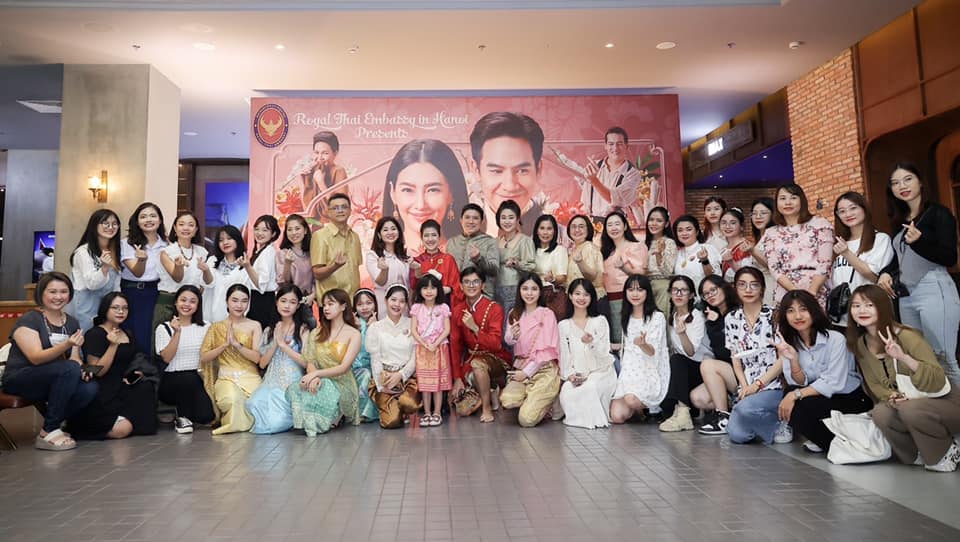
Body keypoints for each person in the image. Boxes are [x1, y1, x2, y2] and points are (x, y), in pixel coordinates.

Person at [847, 285, 960, 472]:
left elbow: (937, 379)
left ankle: (946, 451)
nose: (862, 311)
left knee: (910, 409)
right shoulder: (861, 344)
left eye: (869, 305)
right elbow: (874, 385)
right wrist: (892, 396)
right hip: (907, 403)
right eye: (856, 305)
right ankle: (916, 453)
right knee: (881, 413)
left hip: (946, 403)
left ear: (883, 307)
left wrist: (903, 357)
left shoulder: (907, 336)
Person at [879, 163, 960, 384]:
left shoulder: (938, 213)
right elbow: (898, 260)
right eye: (895, 183)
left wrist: (919, 241)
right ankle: (936, 404)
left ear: (920, 182)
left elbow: (950, 258)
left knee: (944, 358)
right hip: (907, 297)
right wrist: (885, 273)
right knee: (919, 358)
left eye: (908, 179)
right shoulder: (900, 220)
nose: (902, 186)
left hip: (935, 289)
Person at [2, 273, 97, 450]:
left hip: (54, 377)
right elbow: (36, 357)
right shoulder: (30, 319)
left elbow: (74, 359)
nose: (58, 297)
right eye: (53, 292)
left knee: (89, 388)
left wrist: (82, 370)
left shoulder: (72, 323)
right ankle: (49, 431)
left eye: (64, 292)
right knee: (68, 369)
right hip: (21, 377)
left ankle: (51, 425)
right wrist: (66, 344)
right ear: (41, 293)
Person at [774, 290, 872, 454]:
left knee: (795, 399)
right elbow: (798, 382)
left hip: (849, 398)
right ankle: (834, 444)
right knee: (791, 396)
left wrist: (794, 395)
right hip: (820, 397)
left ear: (814, 311)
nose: (798, 316)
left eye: (803, 309)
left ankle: (843, 445)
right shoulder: (789, 343)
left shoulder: (835, 339)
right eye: (791, 311)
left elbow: (833, 382)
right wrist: (793, 360)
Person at [67, 293, 158, 440]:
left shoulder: (127, 333)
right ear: (105, 309)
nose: (121, 312)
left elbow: (136, 360)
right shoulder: (95, 333)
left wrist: (137, 373)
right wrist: (113, 345)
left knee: (145, 388)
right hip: (103, 388)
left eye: (124, 308)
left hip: (123, 384)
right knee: (122, 429)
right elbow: (97, 371)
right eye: (115, 308)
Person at [286, 289, 362, 436]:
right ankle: (306, 422)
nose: (326, 308)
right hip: (319, 378)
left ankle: (323, 421)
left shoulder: (354, 334)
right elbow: (310, 361)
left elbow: (343, 367)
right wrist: (314, 376)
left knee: (325, 386)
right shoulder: (317, 333)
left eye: (331, 304)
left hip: (343, 383)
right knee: (298, 387)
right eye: (324, 305)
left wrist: (316, 375)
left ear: (343, 306)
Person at [724, 267, 786, 445]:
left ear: (762, 289)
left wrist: (757, 385)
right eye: (742, 285)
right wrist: (745, 387)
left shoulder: (775, 315)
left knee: (743, 410)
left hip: (773, 385)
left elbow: (783, 359)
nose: (748, 290)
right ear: (735, 288)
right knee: (737, 435)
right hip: (747, 386)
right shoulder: (731, 318)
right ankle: (772, 421)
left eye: (754, 285)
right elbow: (736, 360)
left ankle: (783, 423)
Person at [449, 267, 511, 423]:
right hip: (471, 360)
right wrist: (457, 378)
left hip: (495, 358)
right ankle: (491, 390)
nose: (471, 286)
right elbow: (455, 347)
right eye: (467, 282)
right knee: (461, 409)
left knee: (478, 364)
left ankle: (486, 407)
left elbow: (495, 344)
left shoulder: (494, 308)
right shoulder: (457, 310)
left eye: (476, 282)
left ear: (483, 285)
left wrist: (475, 328)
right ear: (461, 285)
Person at [382, 138, 468, 252]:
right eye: (408, 190)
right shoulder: (374, 256)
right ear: (392, 193)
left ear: (451, 193)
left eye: (432, 190)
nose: (420, 205)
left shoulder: (468, 255)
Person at [200, 284, 263, 435]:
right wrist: (224, 345)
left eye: (244, 301)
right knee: (233, 400)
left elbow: (257, 358)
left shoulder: (255, 325)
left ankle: (247, 423)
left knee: (258, 403)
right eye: (235, 300)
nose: (239, 305)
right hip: (226, 378)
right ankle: (238, 425)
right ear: (227, 301)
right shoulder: (216, 327)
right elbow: (204, 357)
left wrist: (237, 345)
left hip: (250, 377)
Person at [246, 285, 309, 434]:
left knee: (277, 421)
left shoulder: (303, 329)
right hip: (271, 381)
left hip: (291, 382)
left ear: (298, 305)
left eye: (292, 302)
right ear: (276, 302)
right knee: (252, 404)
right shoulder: (269, 330)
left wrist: (284, 346)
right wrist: (275, 343)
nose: (287, 306)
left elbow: (306, 362)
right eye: (283, 301)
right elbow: (262, 363)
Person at [469, 111, 545, 236]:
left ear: (539, 169)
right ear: (476, 170)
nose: (509, 186)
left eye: (522, 171)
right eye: (496, 171)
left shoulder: (563, 236)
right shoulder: (457, 235)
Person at [501, 273, 561, 427]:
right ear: (519, 291)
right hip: (521, 366)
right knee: (508, 400)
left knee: (526, 420)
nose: (529, 293)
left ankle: (549, 401)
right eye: (525, 288)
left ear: (540, 292)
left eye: (534, 289)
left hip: (543, 369)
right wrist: (513, 336)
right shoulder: (514, 313)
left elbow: (547, 352)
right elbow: (508, 340)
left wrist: (526, 373)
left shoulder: (547, 314)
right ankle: (533, 399)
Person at [557, 279, 617, 429]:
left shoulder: (600, 321)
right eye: (577, 293)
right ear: (570, 296)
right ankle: (579, 421)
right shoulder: (563, 325)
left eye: (586, 294)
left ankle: (594, 422)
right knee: (567, 391)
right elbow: (564, 356)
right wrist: (570, 375)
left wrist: (591, 343)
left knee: (590, 387)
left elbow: (604, 353)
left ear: (592, 297)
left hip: (601, 372)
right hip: (578, 374)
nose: (581, 298)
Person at [761, 184, 834, 308]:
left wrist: (812, 292)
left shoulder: (820, 225)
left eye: (793, 198)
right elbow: (774, 268)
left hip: (817, 290)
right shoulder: (771, 233)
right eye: (783, 198)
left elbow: (825, 263)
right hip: (786, 293)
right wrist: (795, 293)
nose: (788, 202)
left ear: (802, 200)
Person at [155, 285, 214, 434]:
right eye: (183, 300)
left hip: (198, 378)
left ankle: (188, 414)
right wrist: (177, 332)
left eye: (192, 301)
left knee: (206, 416)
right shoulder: (164, 328)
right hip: (171, 380)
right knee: (188, 378)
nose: (187, 304)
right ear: (176, 302)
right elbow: (166, 358)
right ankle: (182, 418)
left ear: (198, 305)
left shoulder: (206, 326)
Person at [610, 275, 668, 423]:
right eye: (631, 290)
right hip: (629, 371)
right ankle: (638, 411)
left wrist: (643, 344)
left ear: (647, 292)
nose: (635, 294)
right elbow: (627, 347)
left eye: (640, 290)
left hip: (649, 369)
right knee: (617, 417)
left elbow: (653, 352)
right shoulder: (626, 316)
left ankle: (648, 408)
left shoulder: (657, 317)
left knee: (631, 400)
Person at [830, 192, 894, 326]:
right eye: (842, 211)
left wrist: (846, 253)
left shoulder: (880, 239)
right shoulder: (838, 243)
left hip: (870, 313)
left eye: (853, 208)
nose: (848, 214)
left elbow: (874, 276)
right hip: (842, 316)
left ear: (864, 208)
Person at [366, 284, 421, 429]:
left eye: (402, 301)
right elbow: (375, 359)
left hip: (407, 378)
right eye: (393, 300)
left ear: (406, 304)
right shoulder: (376, 327)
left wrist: (401, 375)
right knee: (391, 422)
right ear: (386, 300)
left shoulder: (412, 324)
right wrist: (381, 385)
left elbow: (415, 356)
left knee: (409, 403)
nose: (397, 304)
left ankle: (402, 406)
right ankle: (394, 409)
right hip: (385, 378)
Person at [657, 276, 705, 432]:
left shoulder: (697, 317)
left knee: (677, 359)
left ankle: (684, 413)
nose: (678, 294)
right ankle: (683, 410)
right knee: (666, 408)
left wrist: (682, 333)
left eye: (683, 290)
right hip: (684, 371)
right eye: (675, 290)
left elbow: (690, 352)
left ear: (691, 295)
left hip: (701, 368)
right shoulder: (673, 317)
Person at [695, 276, 741, 435]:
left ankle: (723, 418)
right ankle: (736, 410)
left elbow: (730, 350)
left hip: (744, 373)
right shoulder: (712, 318)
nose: (710, 295)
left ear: (724, 288)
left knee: (707, 364)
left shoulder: (737, 312)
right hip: (728, 373)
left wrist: (717, 324)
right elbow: (719, 352)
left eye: (713, 290)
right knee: (698, 397)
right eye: (705, 294)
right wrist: (715, 324)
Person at [120, 202, 168, 352]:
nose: (148, 220)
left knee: (151, 333)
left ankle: (148, 364)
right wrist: (142, 259)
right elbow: (137, 273)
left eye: (153, 216)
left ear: (160, 220)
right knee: (131, 332)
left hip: (155, 293)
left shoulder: (167, 244)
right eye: (143, 217)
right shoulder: (127, 243)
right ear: (137, 221)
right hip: (131, 292)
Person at [156, 211, 213, 334]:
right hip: (169, 302)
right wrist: (179, 266)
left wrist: (205, 272)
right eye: (181, 224)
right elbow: (177, 278)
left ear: (196, 229)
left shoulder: (202, 252)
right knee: (165, 339)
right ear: (175, 228)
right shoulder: (166, 252)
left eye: (191, 225)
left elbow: (206, 282)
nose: (186, 228)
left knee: (190, 340)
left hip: (191, 305)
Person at [69, 209, 122, 332]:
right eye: (105, 223)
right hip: (86, 305)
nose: (110, 227)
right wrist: (104, 268)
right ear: (94, 225)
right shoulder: (83, 252)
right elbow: (92, 284)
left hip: (108, 305)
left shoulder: (115, 250)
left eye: (114, 224)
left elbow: (116, 283)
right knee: (86, 338)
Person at [410, 272, 452, 426]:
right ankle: (427, 413)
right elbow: (414, 330)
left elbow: (447, 330)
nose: (429, 291)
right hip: (422, 350)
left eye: (433, 288)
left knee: (438, 384)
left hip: (439, 348)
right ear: (419, 290)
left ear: (438, 290)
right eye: (425, 288)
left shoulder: (443, 307)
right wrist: (424, 343)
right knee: (425, 384)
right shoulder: (416, 308)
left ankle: (437, 413)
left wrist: (435, 343)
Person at [601, 210, 647, 348]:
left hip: (629, 300)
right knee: (615, 341)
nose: (613, 228)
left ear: (625, 226)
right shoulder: (606, 251)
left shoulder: (635, 246)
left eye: (617, 224)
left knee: (631, 341)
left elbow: (641, 275)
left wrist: (624, 268)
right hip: (609, 301)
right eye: (609, 225)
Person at [580, 126, 644, 224]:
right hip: (592, 224)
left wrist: (594, 181)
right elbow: (585, 202)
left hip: (616, 225)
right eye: (611, 144)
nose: (615, 148)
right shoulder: (594, 167)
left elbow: (614, 199)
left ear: (627, 146)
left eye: (619, 144)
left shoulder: (633, 175)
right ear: (605, 146)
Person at [311, 192, 362, 299]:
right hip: (331, 302)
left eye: (344, 207)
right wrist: (335, 266)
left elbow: (355, 270)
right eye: (335, 208)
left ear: (350, 211)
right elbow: (316, 273)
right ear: (328, 212)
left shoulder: (355, 236)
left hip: (354, 300)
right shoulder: (320, 236)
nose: (340, 210)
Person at [445, 203, 500, 300]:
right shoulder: (451, 242)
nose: (471, 221)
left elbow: (495, 271)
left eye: (475, 218)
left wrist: (479, 259)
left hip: (482, 297)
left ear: (482, 221)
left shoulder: (490, 242)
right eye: (467, 217)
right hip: (455, 298)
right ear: (461, 220)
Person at [566, 214, 611, 330]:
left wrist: (580, 262)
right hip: (579, 303)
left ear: (588, 229)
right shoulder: (574, 250)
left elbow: (591, 276)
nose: (577, 230)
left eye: (581, 226)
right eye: (573, 226)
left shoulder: (589, 247)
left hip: (593, 302)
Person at [495, 199, 536, 315]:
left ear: (518, 219)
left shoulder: (525, 241)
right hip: (496, 290)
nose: (507, 221)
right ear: (498, 220)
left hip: (516, 290)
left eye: (511, 217)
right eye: (503, 218)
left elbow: (531, 267)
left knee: (513, 322)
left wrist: (517, 264)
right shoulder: (495, 242)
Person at [204, 225, 252, 323]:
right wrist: (205, 270)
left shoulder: (245, 265)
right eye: (221, 240)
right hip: (209, 317)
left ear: (237, 240)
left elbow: (245, 294)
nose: (225, 242)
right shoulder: (212, 260)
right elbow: (208, 283)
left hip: (234, 320)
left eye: (229, 238)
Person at [365, 216, 410, 319]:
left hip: (403, 304)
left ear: (399, 232)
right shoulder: (373, 255)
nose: (390, 232)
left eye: (393, 229)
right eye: (385, 230)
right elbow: (380, 282)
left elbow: (410, 283)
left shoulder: (406, 254)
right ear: (379, 234)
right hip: (383, 304)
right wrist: (384, 270)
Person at [409, 219, 462, 306]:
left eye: (434, 235)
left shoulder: (448, 259)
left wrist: (448, 289)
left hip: (445, 306)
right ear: (421, 238)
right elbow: (413, 287)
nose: (430, 239)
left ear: (439, 237)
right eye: (426, 235)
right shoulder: (417, 261)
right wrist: (418, 269)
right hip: (423, 308)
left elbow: (458, 288)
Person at [298, 130, 348, 220]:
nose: (320, 158)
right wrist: (301, 179)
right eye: (316, 153)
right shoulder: (312, 171)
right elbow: (308, 212)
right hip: (315, 224)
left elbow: (340, 208)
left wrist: (321, 183)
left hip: (333, 223)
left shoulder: (339, 171)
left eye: (325, 153)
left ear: (335, 153)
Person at [277, 213, 316, 325]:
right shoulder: (282, 254)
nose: (294, 233)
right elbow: (284, 282)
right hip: (288, 304)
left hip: (307, 303)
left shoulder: (312, 253)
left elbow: (316, 280)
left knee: (310, 327)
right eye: (290, 229)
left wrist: (313, 295)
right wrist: (287, 263)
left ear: (305, 230)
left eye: (297, 228)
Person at [351, 288, 380, 423]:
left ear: (375, 304)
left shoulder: (380, 324)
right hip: (355, 367)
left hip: (375, 366)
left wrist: (373, 328)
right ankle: (361, 412)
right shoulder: (351, 325)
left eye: (368, 303)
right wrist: (356, 329)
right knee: (365, 374)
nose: (364, 307)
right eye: (360, 304)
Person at [247, 214, 281, 330]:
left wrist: (247, 266)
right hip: (259, 299)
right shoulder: (261, 250)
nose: (259, 233)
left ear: (273, 234)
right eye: (257, 229)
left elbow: (261, 284)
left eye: (265, 230)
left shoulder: (268, 253)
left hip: (262, 301)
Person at [672, 214, 721, 292]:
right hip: (684, 297)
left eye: (688, 229)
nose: (684, 233)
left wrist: (705, 261)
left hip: (704, 295)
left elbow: (715, 278)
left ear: (697, 231)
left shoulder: (707, 248)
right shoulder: (677, 254)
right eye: (680, 230)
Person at [532, 214, 568, 319]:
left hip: (551, 297)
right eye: (542, 228)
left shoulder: (560, 250)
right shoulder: (530, 249)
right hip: (531, 296)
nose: (545, 232)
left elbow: (563, 277)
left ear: (554, 231)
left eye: (549, 229)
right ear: (537, 230)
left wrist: (553, 279)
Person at [644, 207, 678, 315]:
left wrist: (659, 255)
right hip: (645, 287)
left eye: (659, 220)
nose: (654, 223)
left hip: (663, 286)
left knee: (662, 318)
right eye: (651, 220)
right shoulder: (644, 244)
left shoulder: (669, 243)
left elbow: (668, 272)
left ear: (666, 224)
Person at [747, 197, 776, 306]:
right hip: (760, 286)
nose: (758, 217)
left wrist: (753, 251)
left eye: (763, 213)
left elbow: (773, 265)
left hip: (772, 285)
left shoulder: (774, 235)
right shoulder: (760, 236)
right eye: (754, 213)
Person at [719, 208, 754, 282]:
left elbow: (748, 276)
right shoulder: (723, 248)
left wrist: (731, 262)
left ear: (741, 226)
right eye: (724, 223)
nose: (727, 226)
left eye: (733, 223)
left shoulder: (746, 246)